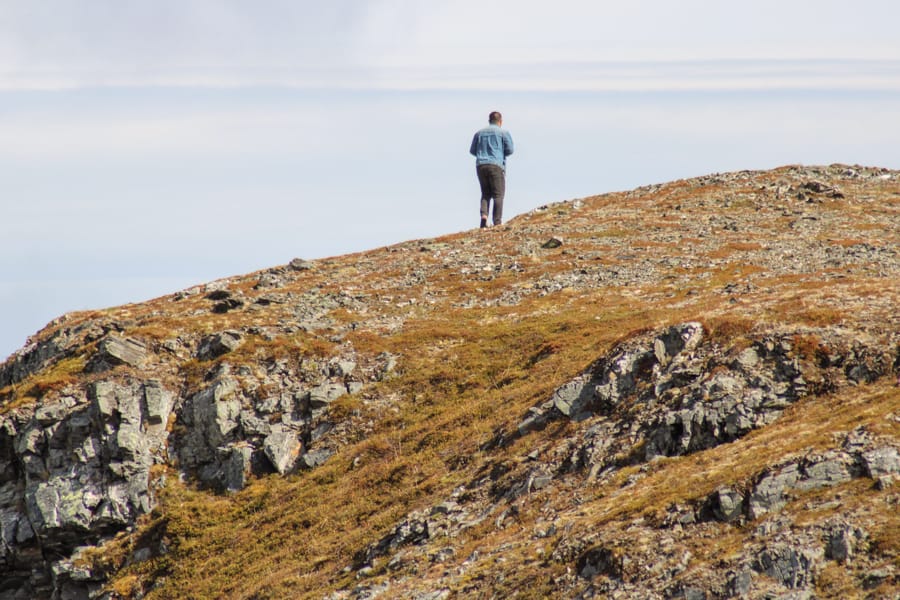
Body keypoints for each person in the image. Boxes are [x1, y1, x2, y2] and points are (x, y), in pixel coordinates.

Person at [470, 111, 514, 228]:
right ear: (500, 121)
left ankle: (484, 216)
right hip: (496, 165)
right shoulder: (503, 133)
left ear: (489, 120)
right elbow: (510, 150)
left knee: (485, 193)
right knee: (498, 194)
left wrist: (483, 153)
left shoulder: (479, 133)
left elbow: (472, 150)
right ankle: (497, 221)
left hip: (481, 165)